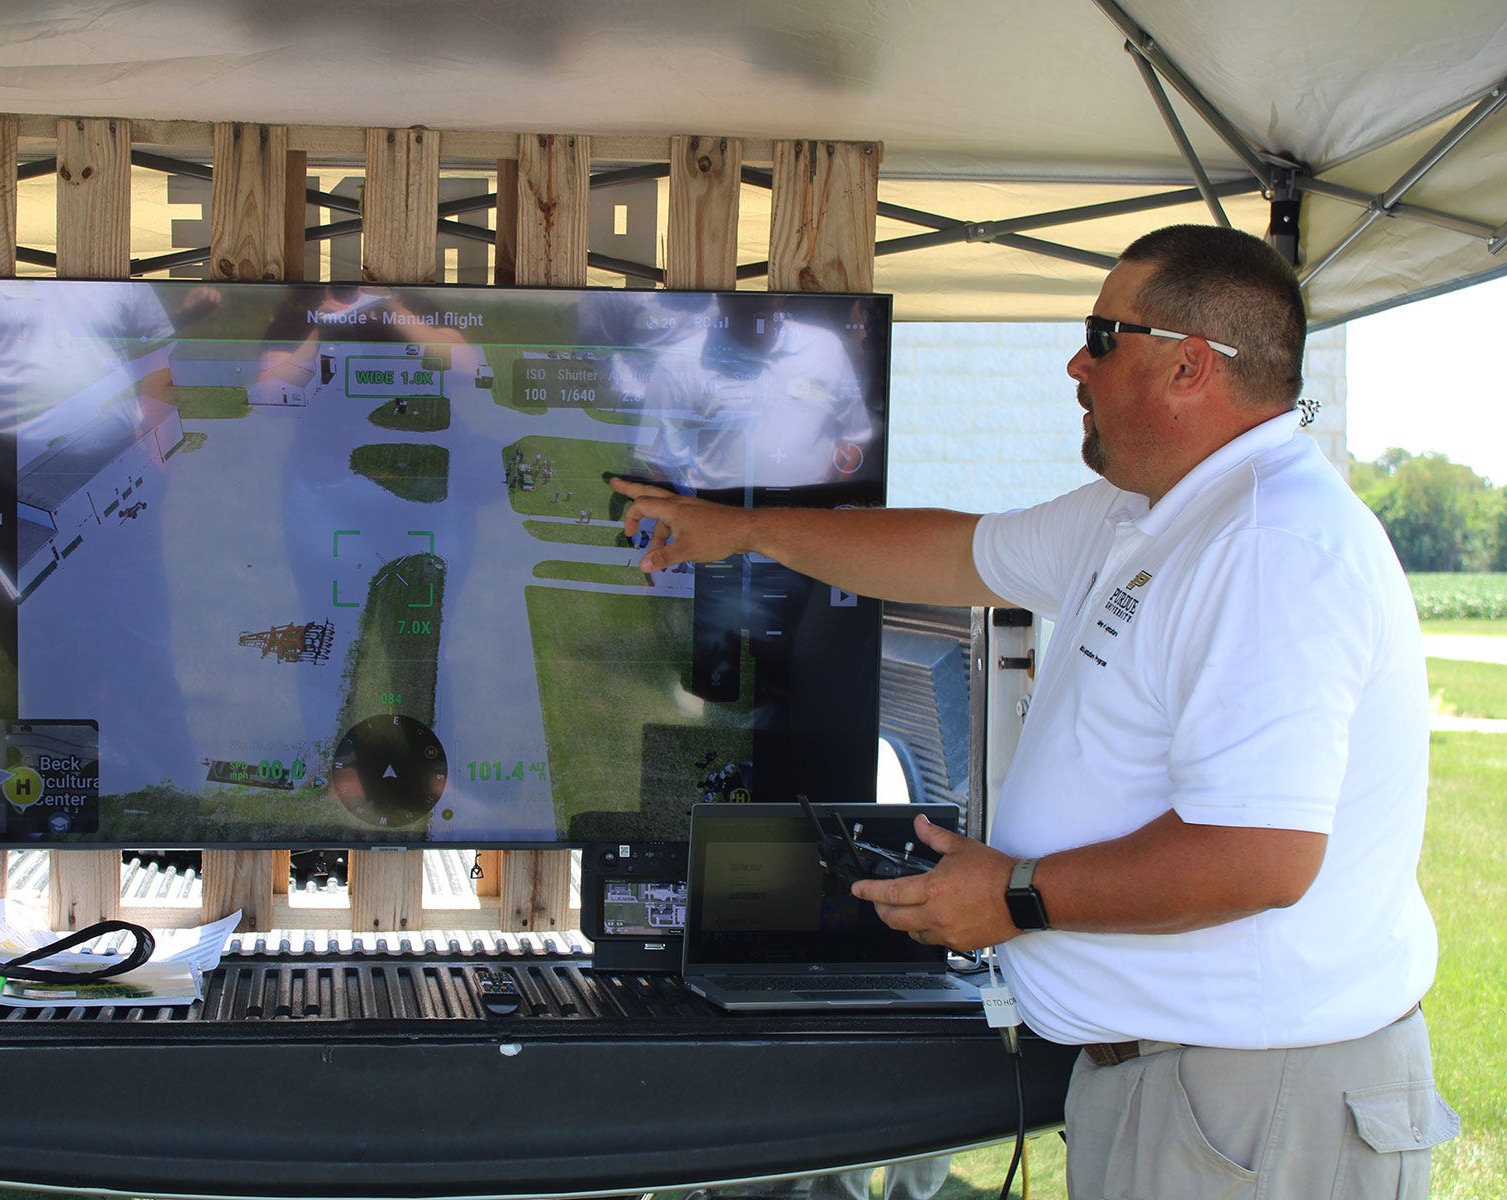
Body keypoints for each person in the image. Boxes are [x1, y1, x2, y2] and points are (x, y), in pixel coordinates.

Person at [611, 224, 1458, 1198]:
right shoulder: (1150, 515)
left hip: (1257, 1104)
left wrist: (1016, 895)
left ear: (1190, 367)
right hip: (1182, 1086)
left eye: (1103, 336)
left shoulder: (1271, 548)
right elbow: (954, 553)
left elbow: (1257, 857)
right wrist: (741, 528)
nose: (1074, 362)